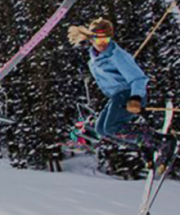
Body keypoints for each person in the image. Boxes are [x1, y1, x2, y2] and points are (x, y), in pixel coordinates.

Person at [67, 17, 172, 158]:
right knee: (101, 130)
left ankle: (159, 141)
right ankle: (143, 145)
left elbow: (139, 78)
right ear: (92, 39)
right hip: (116, 96)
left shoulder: (117, 56)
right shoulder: (94, 59)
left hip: (128, 94)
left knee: (111, 127)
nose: (103, 44)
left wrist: (135, 98)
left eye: (106, 39)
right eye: (99, 40)